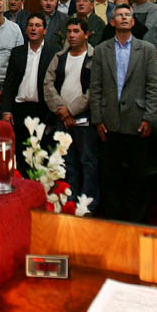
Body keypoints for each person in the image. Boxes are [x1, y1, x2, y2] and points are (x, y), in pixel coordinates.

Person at [88, 7, 157, 222]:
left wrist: (149, 117)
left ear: (133, 21)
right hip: (109, 120)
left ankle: (137, 217)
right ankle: (113, 216)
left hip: (137, 120)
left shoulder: (146, 49)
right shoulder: (101, 50)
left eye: (128, 15)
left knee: (138, 174)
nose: (125, 18)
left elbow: (153, 86)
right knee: (110, 174)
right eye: (120, 15)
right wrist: (98, 119)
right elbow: (95, 87)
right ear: (112, 22)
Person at [44, 18, 97, 211]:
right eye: (69, 31)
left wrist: (72, 110)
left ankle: (88, 204)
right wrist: (62, 111)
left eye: (76, 31)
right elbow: (48, 85)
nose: (72, 35)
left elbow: (94, 90)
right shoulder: (60, 56)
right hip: (62, 119)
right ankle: (69, 200)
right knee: (66, 163)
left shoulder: (94, 57)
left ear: (86, 34)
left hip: (85, 119)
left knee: (87, 162)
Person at [1, 12, 55, 159]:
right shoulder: (17, 52)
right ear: (26, 30)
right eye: (30, 25)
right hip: (20, 110)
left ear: (45, 30)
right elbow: (9, 84)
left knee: (41, 154)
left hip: (43, 110)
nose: (33, 29)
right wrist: (6, 110)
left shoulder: (54, 53)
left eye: (37, 25)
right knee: (21, 152)